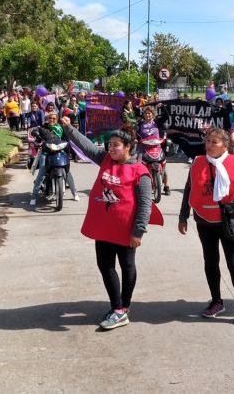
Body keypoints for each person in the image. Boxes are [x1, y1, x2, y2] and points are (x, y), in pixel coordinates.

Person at [60, 117, 164, 330]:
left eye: (116, 145)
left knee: (127, 266)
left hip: (126, 231)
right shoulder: (105, 159)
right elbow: (86, 146)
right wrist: (68, 128)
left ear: (128, 147)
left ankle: (123, 308)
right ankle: (117, 307)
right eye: (110, 145)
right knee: (105, 266)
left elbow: (145, 204)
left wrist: (139, 231)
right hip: (104, 228)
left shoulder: (140, 172)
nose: (111, 148)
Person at [178, 128, 234, 332]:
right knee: (210, 262)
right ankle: (217, 301)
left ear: (225, 145)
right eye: (207, 141)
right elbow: (190, 189)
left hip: (229, 221)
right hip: (204, 221)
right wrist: (183, 216)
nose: (208, 145)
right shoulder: (198, 162)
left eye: (214, 142)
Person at [29, 111, 79, 205]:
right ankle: (34, 196)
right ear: (47, 118)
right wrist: (37, 141)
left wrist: (68, 148)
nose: (51, 120)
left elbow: (67, 139)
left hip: (60, 152)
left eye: (54, 118)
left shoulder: (61, 127)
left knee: (67, 172)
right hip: (46, 153)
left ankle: (74, 193)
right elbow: (37, 138)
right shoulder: (43, 127)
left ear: (57, 119)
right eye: (50, 118)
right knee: (42, 173)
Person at [136, 106, 171, 195]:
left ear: (153, 115)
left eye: (149, 113)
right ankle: (139, 185)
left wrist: (162, 107)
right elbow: (135, 134)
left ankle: (166, 186)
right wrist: (135, 139)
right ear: (143, 115)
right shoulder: (140, 124)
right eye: (146, 113)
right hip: (143, 148)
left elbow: (166, 116)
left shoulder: (157, 122)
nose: (148, 115)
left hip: (156, 147)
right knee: (138, 165)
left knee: (163, 164)